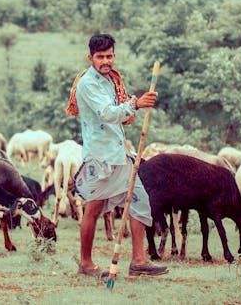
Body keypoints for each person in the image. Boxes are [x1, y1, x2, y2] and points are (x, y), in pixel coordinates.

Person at [66, 33, 168, 278]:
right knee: (93, 208)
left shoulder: (111, 80)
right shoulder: (88, 84)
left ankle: (138, 260)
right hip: (99, 158)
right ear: (90, 57)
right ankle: (86, 264)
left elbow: (119, 116)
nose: (106, 61)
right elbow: (107, 113)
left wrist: (134, 106)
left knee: (139, 200)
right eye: (100, 57)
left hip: (119, 154)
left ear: (114, 56)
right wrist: (136, 104)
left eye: (109, 56)